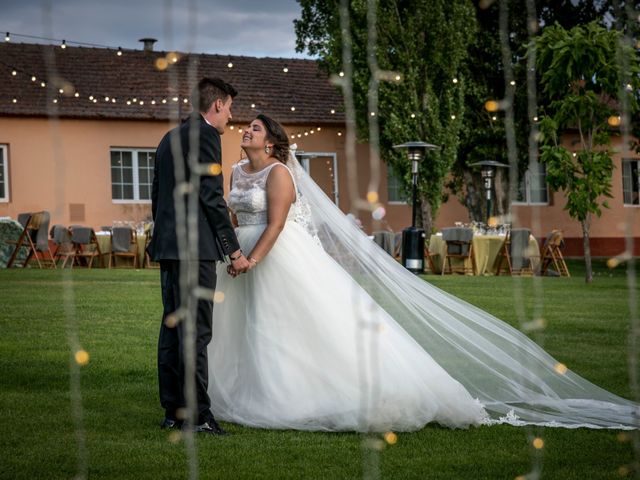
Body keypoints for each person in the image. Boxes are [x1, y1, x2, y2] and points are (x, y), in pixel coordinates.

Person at [209, 114, 638, 432]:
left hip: (276, 253)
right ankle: (253, 390)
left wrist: (254, 258)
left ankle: (298, 395)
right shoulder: (236, 170)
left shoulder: (280, 172)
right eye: (246, 127)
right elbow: (231, 214)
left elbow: (278, 223)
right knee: (247, 325)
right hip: (238, 254)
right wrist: (232, 252)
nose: (246, 131)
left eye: (256, 129)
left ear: (271, 143)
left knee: (288, 324)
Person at [148, 77, 250, 435]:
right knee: (197, 333)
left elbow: (157, 195)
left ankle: (173, 411)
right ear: (218, 105)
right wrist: (234, 251)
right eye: (230, 109)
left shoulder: (169, 138)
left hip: (170, 249)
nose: (231, 117)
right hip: (194, 250)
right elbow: (211, 197)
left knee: (173, 330)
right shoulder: (205, 137)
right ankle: (198, 415)